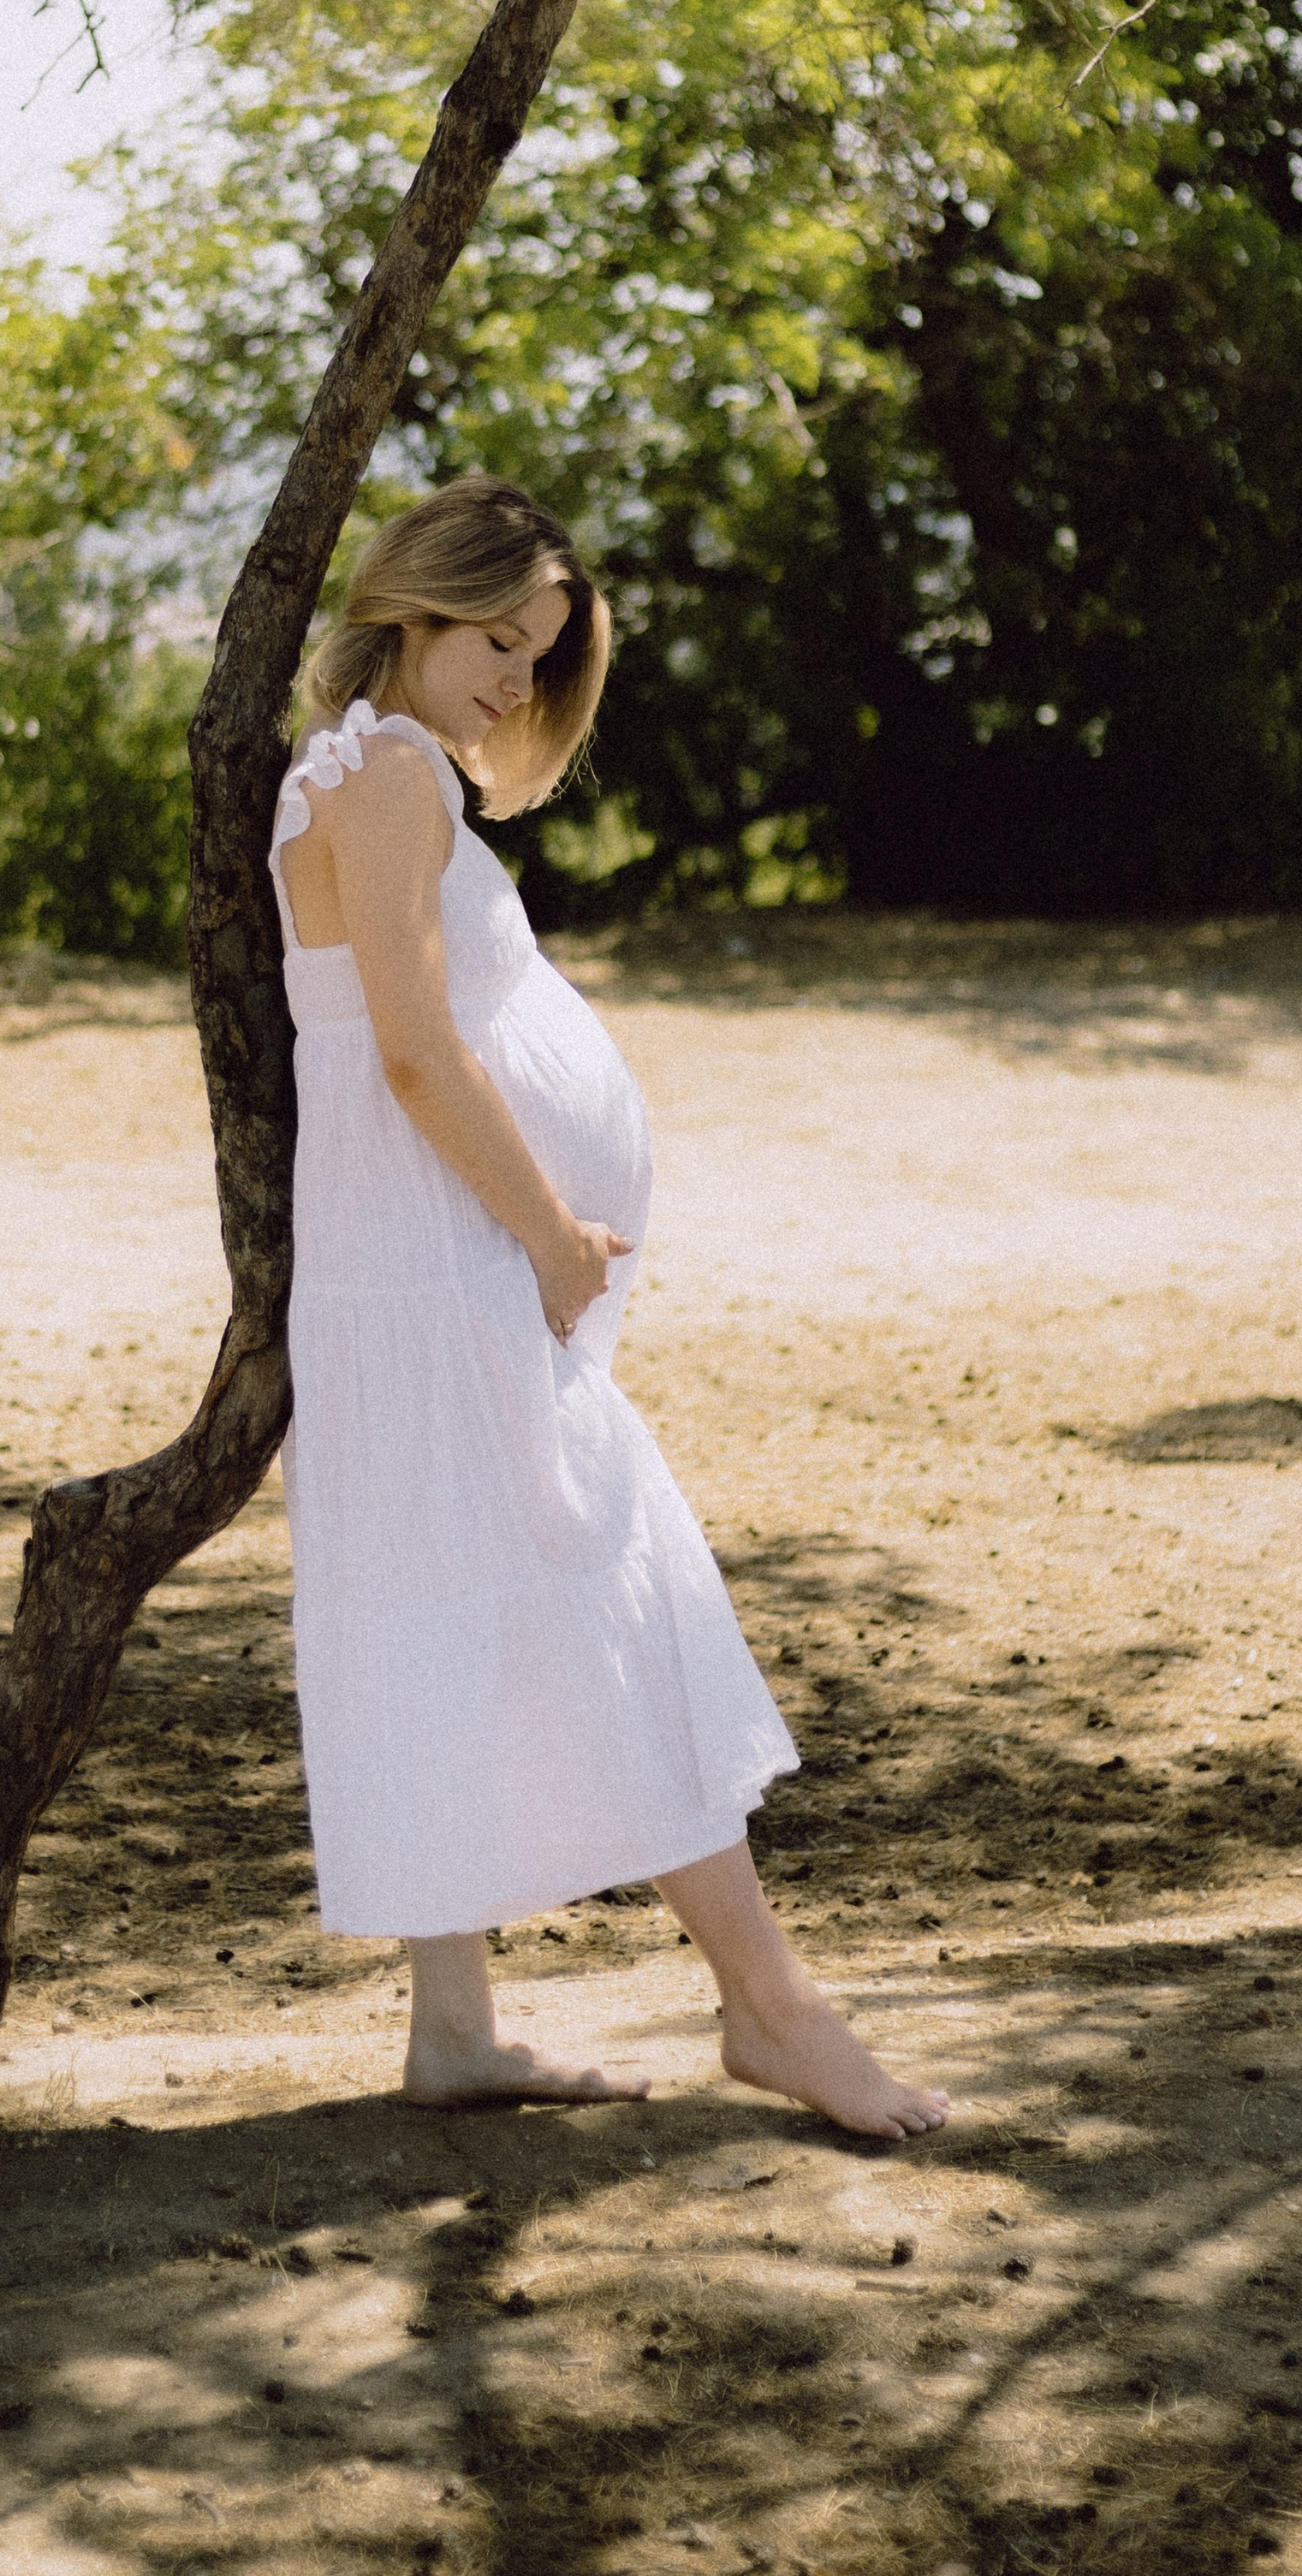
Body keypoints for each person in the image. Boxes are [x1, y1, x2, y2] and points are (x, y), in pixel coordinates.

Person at [271, 472, 947, 2138]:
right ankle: (772, 2010)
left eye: (540, 652)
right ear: (413, 610)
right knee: (603, 1604)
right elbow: (415, 1057)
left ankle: (453, 2028)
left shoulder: (379, 773)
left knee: (461, 1602)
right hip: (438, 1275)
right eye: (494, 640)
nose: (515, 679)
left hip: (419, 1272)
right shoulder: (382, 779)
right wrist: (555, 1237)